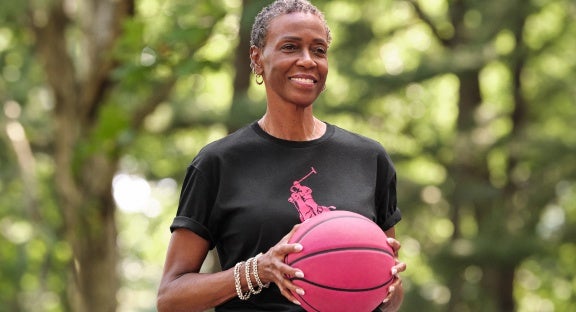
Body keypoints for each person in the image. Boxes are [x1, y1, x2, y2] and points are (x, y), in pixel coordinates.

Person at [157, 0, 406, 311]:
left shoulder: (369, 158)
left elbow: (391, 301)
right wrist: (259, 269)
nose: (307, 61)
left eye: (318, 50)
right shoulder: (218, 163)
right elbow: (170, 298)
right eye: (290, 47)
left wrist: (387, 282)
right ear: (257, 58)